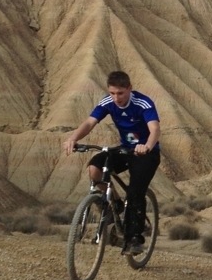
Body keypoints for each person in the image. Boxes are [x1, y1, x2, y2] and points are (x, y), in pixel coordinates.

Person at [63, 70, 161, 254]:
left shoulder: (143, 103)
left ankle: (134, 239)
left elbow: (154, 128)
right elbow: (90, 122)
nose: (116, 98)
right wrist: (73, 138)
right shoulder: (108, 102)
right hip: (124, 149)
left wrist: (146, 146)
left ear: (129, 89)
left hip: (146, 153)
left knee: (135, 192)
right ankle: (114, 204)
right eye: (112, 93)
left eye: (120, 93)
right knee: (94, 168)